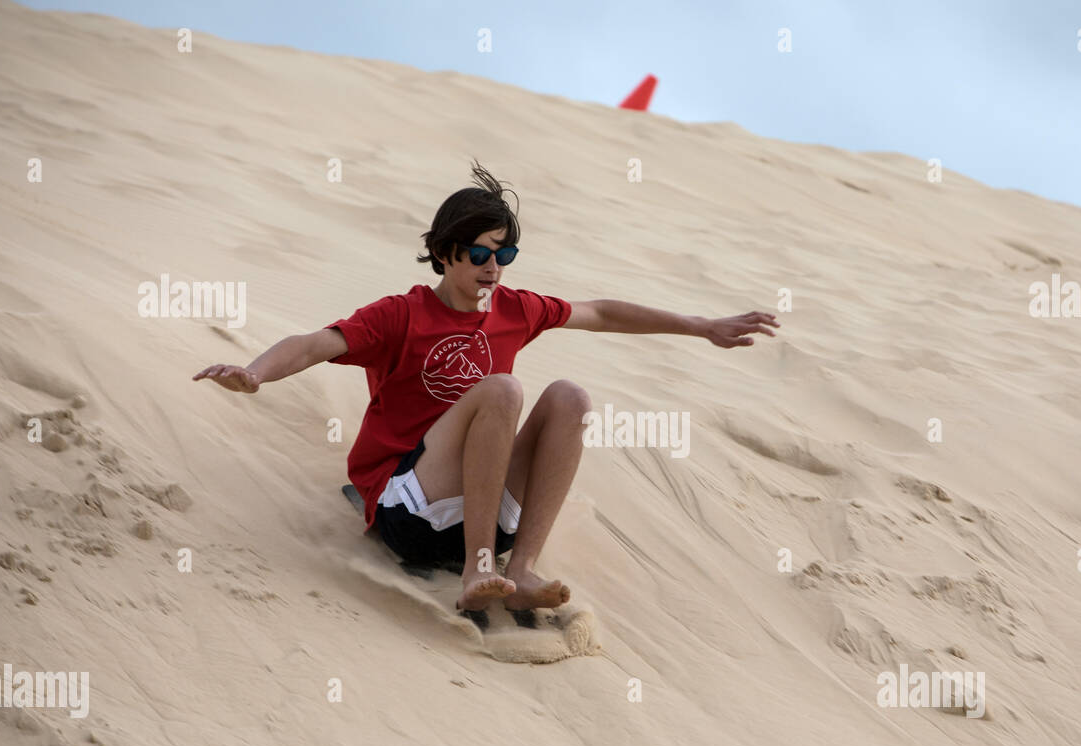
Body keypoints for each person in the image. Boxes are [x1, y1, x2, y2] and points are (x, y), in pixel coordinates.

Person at [193, 160, 779, 619]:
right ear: (445, 253)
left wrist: (702, 327)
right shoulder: (401, 315)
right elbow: (317, 342)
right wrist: (257, 372)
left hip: (485, 511)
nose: (493, 265)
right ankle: (477, 569)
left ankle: (518, 566)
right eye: (479, 253)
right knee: (501, 389)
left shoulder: (516, 309)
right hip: (408, 509)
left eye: (505, 253)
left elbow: (601, 312)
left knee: (570, 397)